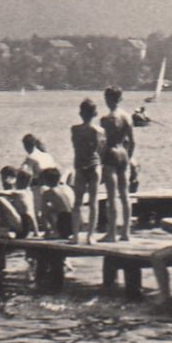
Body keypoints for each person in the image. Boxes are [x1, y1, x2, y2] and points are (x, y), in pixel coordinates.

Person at [100, 86, 136, 242]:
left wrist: (100, 161)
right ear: (120, 99)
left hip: (111, 154)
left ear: (107, 99)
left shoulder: (106, 119)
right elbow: (133, 142)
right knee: (125, 195)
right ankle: (126, 232)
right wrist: (129, 158)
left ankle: (112, 233)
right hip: (124, 154)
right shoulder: (127, 117)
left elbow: (102, 144)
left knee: (111, 195)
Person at [69, 99, 103, 244]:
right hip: (94, 165)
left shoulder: (74, 129)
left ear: (80, 113)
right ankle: (90, 236)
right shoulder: (99, 130)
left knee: (77, 203)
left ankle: (76, 235)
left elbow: (75, 146)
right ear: (95, 113)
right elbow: (101, 149)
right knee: (93, 202)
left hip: (80, 167)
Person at [36, 168, 77, 239]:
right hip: (77, 222)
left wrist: (46, 231)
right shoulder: (67, 188)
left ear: (45, 180)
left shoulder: (47, 193)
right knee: (57, 208)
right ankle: (60, 231)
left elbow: (44, 212)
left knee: (47, 210)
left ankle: (53, 232)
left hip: (65, 223)